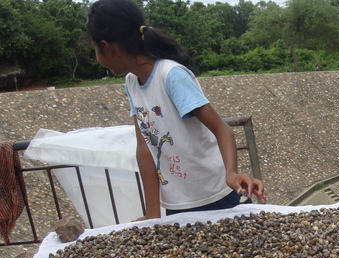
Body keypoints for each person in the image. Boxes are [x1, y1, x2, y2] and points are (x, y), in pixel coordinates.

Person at [86, 0, 266, 220]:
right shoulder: (132, 83)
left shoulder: (171, 75)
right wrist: (152, 214)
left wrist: (231, 174)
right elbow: (145, 149)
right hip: (178, 203)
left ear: (106, 46)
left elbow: (221, 129)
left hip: (217, 195)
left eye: (95, 49)